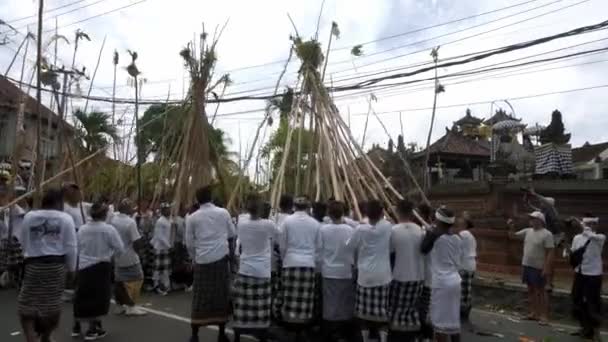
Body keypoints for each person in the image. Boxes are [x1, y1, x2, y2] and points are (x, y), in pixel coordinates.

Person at [16, 188, 77, 342]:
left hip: (33, 264)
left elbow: (23, 241)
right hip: (56, 266)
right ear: (59, 203)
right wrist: (72, 269)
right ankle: (47, 336)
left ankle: (31, 336)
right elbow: (71, 246)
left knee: (27, 304)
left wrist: (30, 255)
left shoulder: (29, 217)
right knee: (52, 306)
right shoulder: (65, 219)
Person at [186, 186, 236, 342]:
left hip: (202, 262)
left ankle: (195, 335)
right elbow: (232, 234)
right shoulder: (223, 213)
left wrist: (195, 258)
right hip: (221, 260)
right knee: (221, 297)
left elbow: (189, 243)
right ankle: (221, 334)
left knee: (200, 298)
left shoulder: (192, 217)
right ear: (211, 198)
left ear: (197, 200)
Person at [72, 202, 124, 340]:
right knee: (97, 297)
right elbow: (120, 248)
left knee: (82, 296)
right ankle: (92, 329)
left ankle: (77, 327)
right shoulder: (109, 229)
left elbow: (76, 248)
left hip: (83, 266)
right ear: (104, 214)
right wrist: (110, 254)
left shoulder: (82, 229)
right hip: (101, 265)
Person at [232, 194, 278, 342]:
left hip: (245, 268)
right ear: (260, 210)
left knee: (243, 306)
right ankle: (261, 335)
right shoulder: (268, 225)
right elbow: (278, 236)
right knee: (261, 307)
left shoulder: (241, 224)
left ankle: (238, 335)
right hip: (262, 271)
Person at [347, 200, 392, 342]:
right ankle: (383, 338)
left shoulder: (360, 229)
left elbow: (349, 245)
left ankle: (365, 339)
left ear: (366, 213)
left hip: (365, 276)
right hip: (383, 276)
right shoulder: (387, 226)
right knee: (382, 312)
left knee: (363, 315)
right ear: (381, 213)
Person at [278, 196, 321, 341]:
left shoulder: (287, 222)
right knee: (305, 299)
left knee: (289, 296)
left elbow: (282, 245)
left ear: (294, 207)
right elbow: (319, 247)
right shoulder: (315, 224)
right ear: (308, 208)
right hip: (308, 264)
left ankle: (289, 328)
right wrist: (312, 260)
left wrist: (285, 259)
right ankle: (302, 328)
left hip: (290, 262)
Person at [421, 207, 462, 342]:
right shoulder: (457, 238)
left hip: (441, 283)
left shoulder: (434, 236)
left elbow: (423, 249)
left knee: (440, 325)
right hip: (455, 281)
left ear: (438, 221)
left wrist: (429, 233)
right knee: (453, 321)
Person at [318, 200, 357, 342]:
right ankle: (343, 334)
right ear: (343, 213)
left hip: (329, 271)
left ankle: (330, 334)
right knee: (345, 304)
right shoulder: (350, 230)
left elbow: (319, 249)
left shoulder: (323, 230)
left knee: (330, 305)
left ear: (329, 213)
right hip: (345, 271)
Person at [508, 211, 555, 325]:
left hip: (539, 266)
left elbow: (550, 252)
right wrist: (510, 226)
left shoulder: (547, 234)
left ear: (540, 221)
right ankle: (533, 313)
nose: (531, 220)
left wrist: (547, 268)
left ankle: (544, 316)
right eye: (531, 218)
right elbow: (512, 236)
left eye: (534, 218)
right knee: (530, 290)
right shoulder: (527, 231)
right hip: (527, 265)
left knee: (541, 291)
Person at [389, 200, 425, 341]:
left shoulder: (394, 230)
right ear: (411, 213)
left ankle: (398, 336)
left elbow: (390, 251)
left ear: (398, 212)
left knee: (397, 308)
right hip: (418, 276)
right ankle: (411, 335)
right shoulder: (420, 230)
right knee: (411, 308)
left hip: (400, 275)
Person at [110, 199, 147, 316]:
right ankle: (131, 306)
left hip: (116, 255)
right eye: (131, 207)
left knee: (119, 282)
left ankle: (120, 305)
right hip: (129, 256)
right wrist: (139, 251)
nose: (133, 209)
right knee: (138, 277)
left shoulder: (113, 219)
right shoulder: (130, 222)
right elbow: (136, 241)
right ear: (127, 209)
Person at [570, 214, 605, 340]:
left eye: (593, 224)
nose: (591, 226)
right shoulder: (577, 238)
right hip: (580, 272)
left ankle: (595, 331)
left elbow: (591, 235)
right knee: (577, 300)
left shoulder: (600, 237)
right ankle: (584, 328)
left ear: (596, 224)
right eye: (588, 224)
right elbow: (573, 251)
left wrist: (584, 226)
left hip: (593, 274)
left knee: (592, 303)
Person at [271, 194, 293, 321]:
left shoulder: (273, 218)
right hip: (287, 258)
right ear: (291, 206)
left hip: (276, 257)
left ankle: (275, 312)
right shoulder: (291, 220)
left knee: (277, 287)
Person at [455, 212, 477, 331]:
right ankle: (463, 316)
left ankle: (463, 317)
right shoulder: (468, 235)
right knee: (465, 292)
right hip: (468, 265)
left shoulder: (464, 234)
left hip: (465, 266)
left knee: (463, 294)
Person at [151, 203, 173, 295]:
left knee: (165, 269)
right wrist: (169, 246)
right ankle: (156, 286)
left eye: (168, 209)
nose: (168, 210)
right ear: (162, 210)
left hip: (165, 248)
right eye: (166, 209)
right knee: (158, 269)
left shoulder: (168, 220)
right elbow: (160, 236)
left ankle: (165, 286)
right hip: (160, 247)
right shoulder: (160, 221)